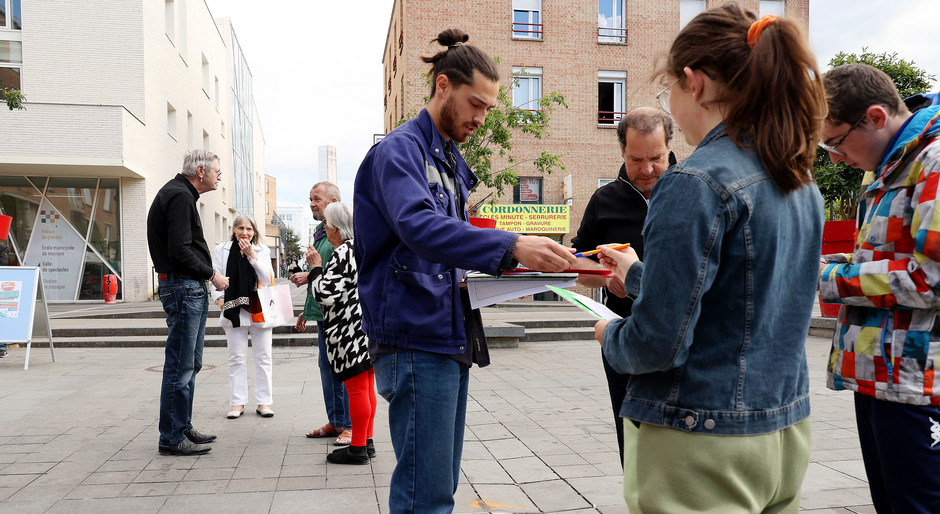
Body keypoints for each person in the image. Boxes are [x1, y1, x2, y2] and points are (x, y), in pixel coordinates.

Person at [593, 5, 825, 511]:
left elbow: (656, 343)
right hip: (783, 430)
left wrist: (610, 335)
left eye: (667, 92)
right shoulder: (800, 181)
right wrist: (636, 274)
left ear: (693, 82)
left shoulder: (694, 181)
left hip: (701, 437)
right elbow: (740, 294)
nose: (670, 104)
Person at [354, 28, 577, 513]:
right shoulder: (400, 151)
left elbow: (442, 247)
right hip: (417, 339)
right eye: (475, 104)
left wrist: (523, 265)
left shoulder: (445, 158)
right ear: (442, 86)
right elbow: (420, 228)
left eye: (489, 109)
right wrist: (511, 245)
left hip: (442, 334)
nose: (481, 118)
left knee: (437, 490)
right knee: (426, 497)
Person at [818, 63, 940, 513]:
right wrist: (820, 265)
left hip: (917, 383)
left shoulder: (934, 162)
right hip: (878, 377)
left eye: (834, 143)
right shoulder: (888, 166)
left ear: (873, 117)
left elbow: (932, 279)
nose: (833, 158)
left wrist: (830, 279)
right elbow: (879, 261)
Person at [571, 107, 675, 467]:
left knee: (677, 445)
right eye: (636, 159)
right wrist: (604, 277)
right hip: (623, 337)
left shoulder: (691, 193)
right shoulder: (605, 201)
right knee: (630, 438)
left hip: (679, 337)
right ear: (621, 153)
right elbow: (577, 260)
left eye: (656, 158)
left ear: (670, 149)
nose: (646, 170)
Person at [147, 149, 230, 456]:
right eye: (217, 172)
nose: (218, 177)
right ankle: (171, 437)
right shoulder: (180, 196)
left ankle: (182, 427)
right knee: (180, 366)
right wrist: (213, 276)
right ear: (200, 170)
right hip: (184, 287)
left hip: (183, 287)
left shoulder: (179, 193)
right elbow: (181, 250)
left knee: (190, 363)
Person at [308, 202, 376, 465]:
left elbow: (324, 294)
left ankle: (358, 447)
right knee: (366, 385)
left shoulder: (341, 252)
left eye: (326, 224)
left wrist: (315, 268)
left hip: (348, 330)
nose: (324, 229)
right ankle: (366, 441)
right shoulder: (357, 248)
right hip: (362, 326)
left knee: (356, 388)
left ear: (335, 227)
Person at [291, 181, 351, 446]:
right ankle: (337, 420)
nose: (312, 203)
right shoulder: (320, 231)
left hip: (341, 315)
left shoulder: (345, 234)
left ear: (334, 201)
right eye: (310, 199)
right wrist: (307, 310)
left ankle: (349, 425)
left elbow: (342, 273)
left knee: (344, 370)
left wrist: (312, 273)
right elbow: (322, 273)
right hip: (323, 312)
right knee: (326, 368)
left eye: (317, 199)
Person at [209, 214, 275, 419]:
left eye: (249, 229)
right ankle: (237, 402)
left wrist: (252, 257)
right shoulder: (222, 250)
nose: (245, 233)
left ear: (254, 232)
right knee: (236, 357)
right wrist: (221, 302)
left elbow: (268, 277)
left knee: (263, 356)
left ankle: (263, 402)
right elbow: (216, 277)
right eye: (241, 228)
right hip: (233, 308)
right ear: (234, 230)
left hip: (258, 308)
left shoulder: (262, 250)